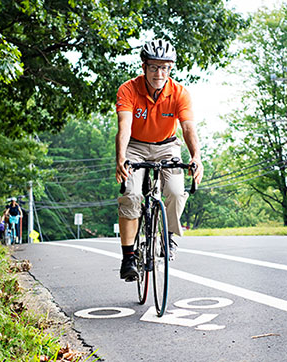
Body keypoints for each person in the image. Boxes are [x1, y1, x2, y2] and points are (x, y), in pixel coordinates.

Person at [115, 39, 204, 281]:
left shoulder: (179, 93)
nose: (159, 73)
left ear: (171, 68)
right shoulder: (128, 89)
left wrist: (196, 156)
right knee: (131, 194)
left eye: (165, 67)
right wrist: (121, 157)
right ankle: (129, 256)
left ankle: (169, 237)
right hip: (135, 146)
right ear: (144, 66)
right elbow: (124, 126)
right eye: (154, 67)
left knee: (175, 191)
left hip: (167, 146)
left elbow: (187, 128)